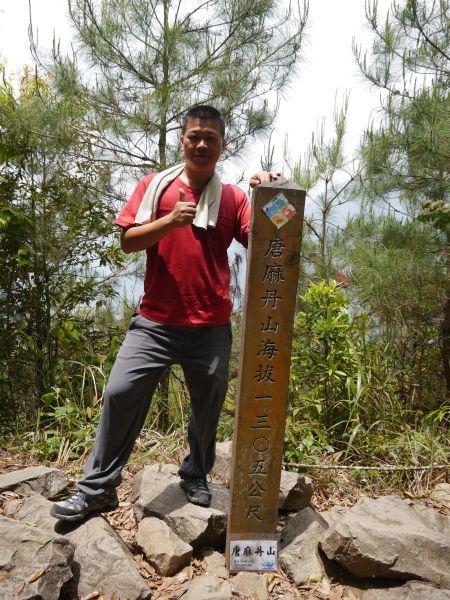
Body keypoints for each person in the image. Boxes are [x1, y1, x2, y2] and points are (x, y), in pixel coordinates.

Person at [50, 105, 279, 521]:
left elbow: (272, 237)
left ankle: (195, 473)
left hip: (210, 325)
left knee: (208, 405)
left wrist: (271, 192)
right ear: (182, 140)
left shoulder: (232, 198)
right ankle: (98, 488)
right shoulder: (155, 186)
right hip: (154, 322)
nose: (202, 143)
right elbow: (128, 241)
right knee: (120, 392)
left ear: (222, 145)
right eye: (195, 136)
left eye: (211, 137)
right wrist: (171, 220)